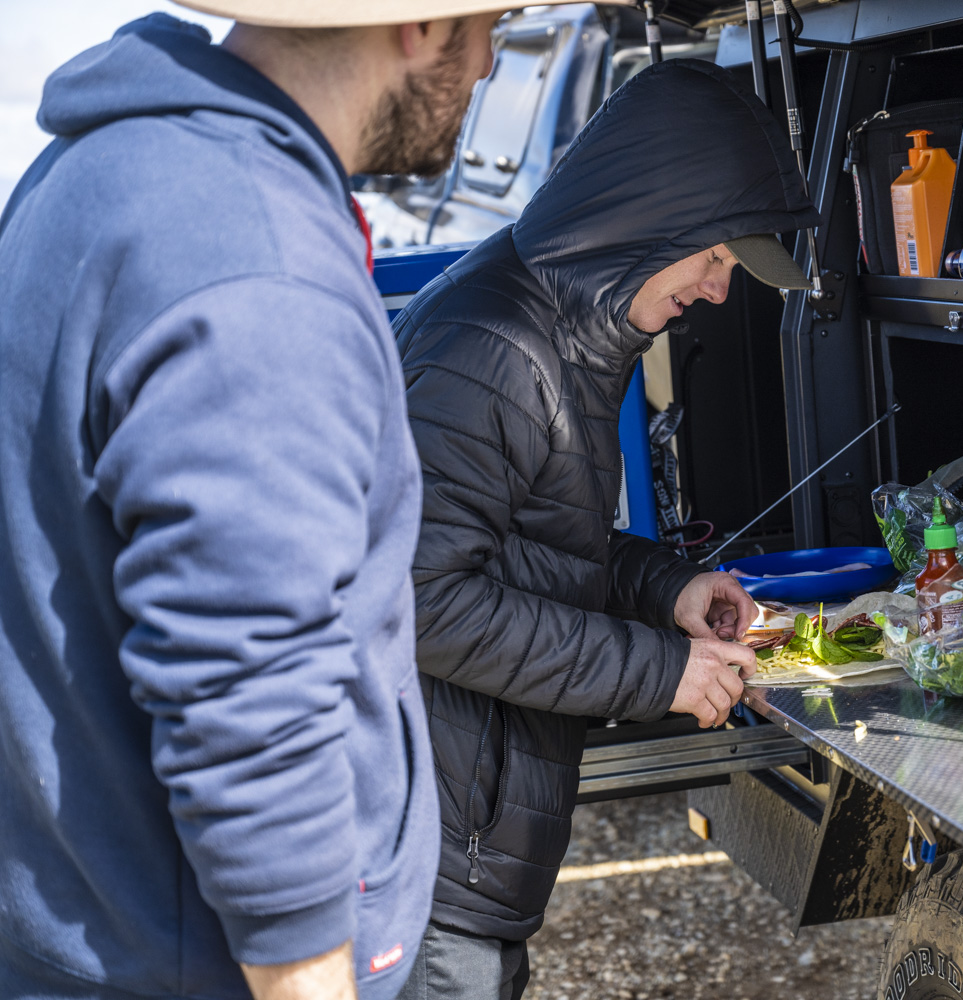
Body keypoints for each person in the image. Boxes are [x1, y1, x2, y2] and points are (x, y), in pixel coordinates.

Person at [0, 3, 553, 998]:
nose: (484, 71)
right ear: (419, 28)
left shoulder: (104, 165)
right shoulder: (259, 266)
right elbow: (248, 694)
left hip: (80, 923)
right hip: (192, 968)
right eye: (491, 29)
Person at [391, 59, 820, 1000]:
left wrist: (669, 588)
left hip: (467, 845)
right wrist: (659, 671)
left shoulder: (564, 329)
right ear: (647, 224)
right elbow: (419, 598)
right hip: (430, 864)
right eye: (712, 258)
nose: (718, 291)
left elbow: (533, 545)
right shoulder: (497, 347)